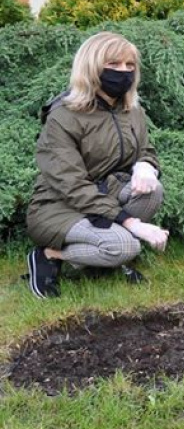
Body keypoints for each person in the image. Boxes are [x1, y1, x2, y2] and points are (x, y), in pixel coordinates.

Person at [25, 32, 170, 298]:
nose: (123, 72)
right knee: (127, 247)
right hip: (58, 206)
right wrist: (131, 223)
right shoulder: (63, 116)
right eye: (113, 64)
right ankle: (48, 255)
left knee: (153, 190)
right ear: (91, 66)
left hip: (103, 194)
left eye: (130, 65)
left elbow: (147, 151)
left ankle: (99, 256)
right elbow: (73, 186)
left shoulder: (132, 110)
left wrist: (145, 167)